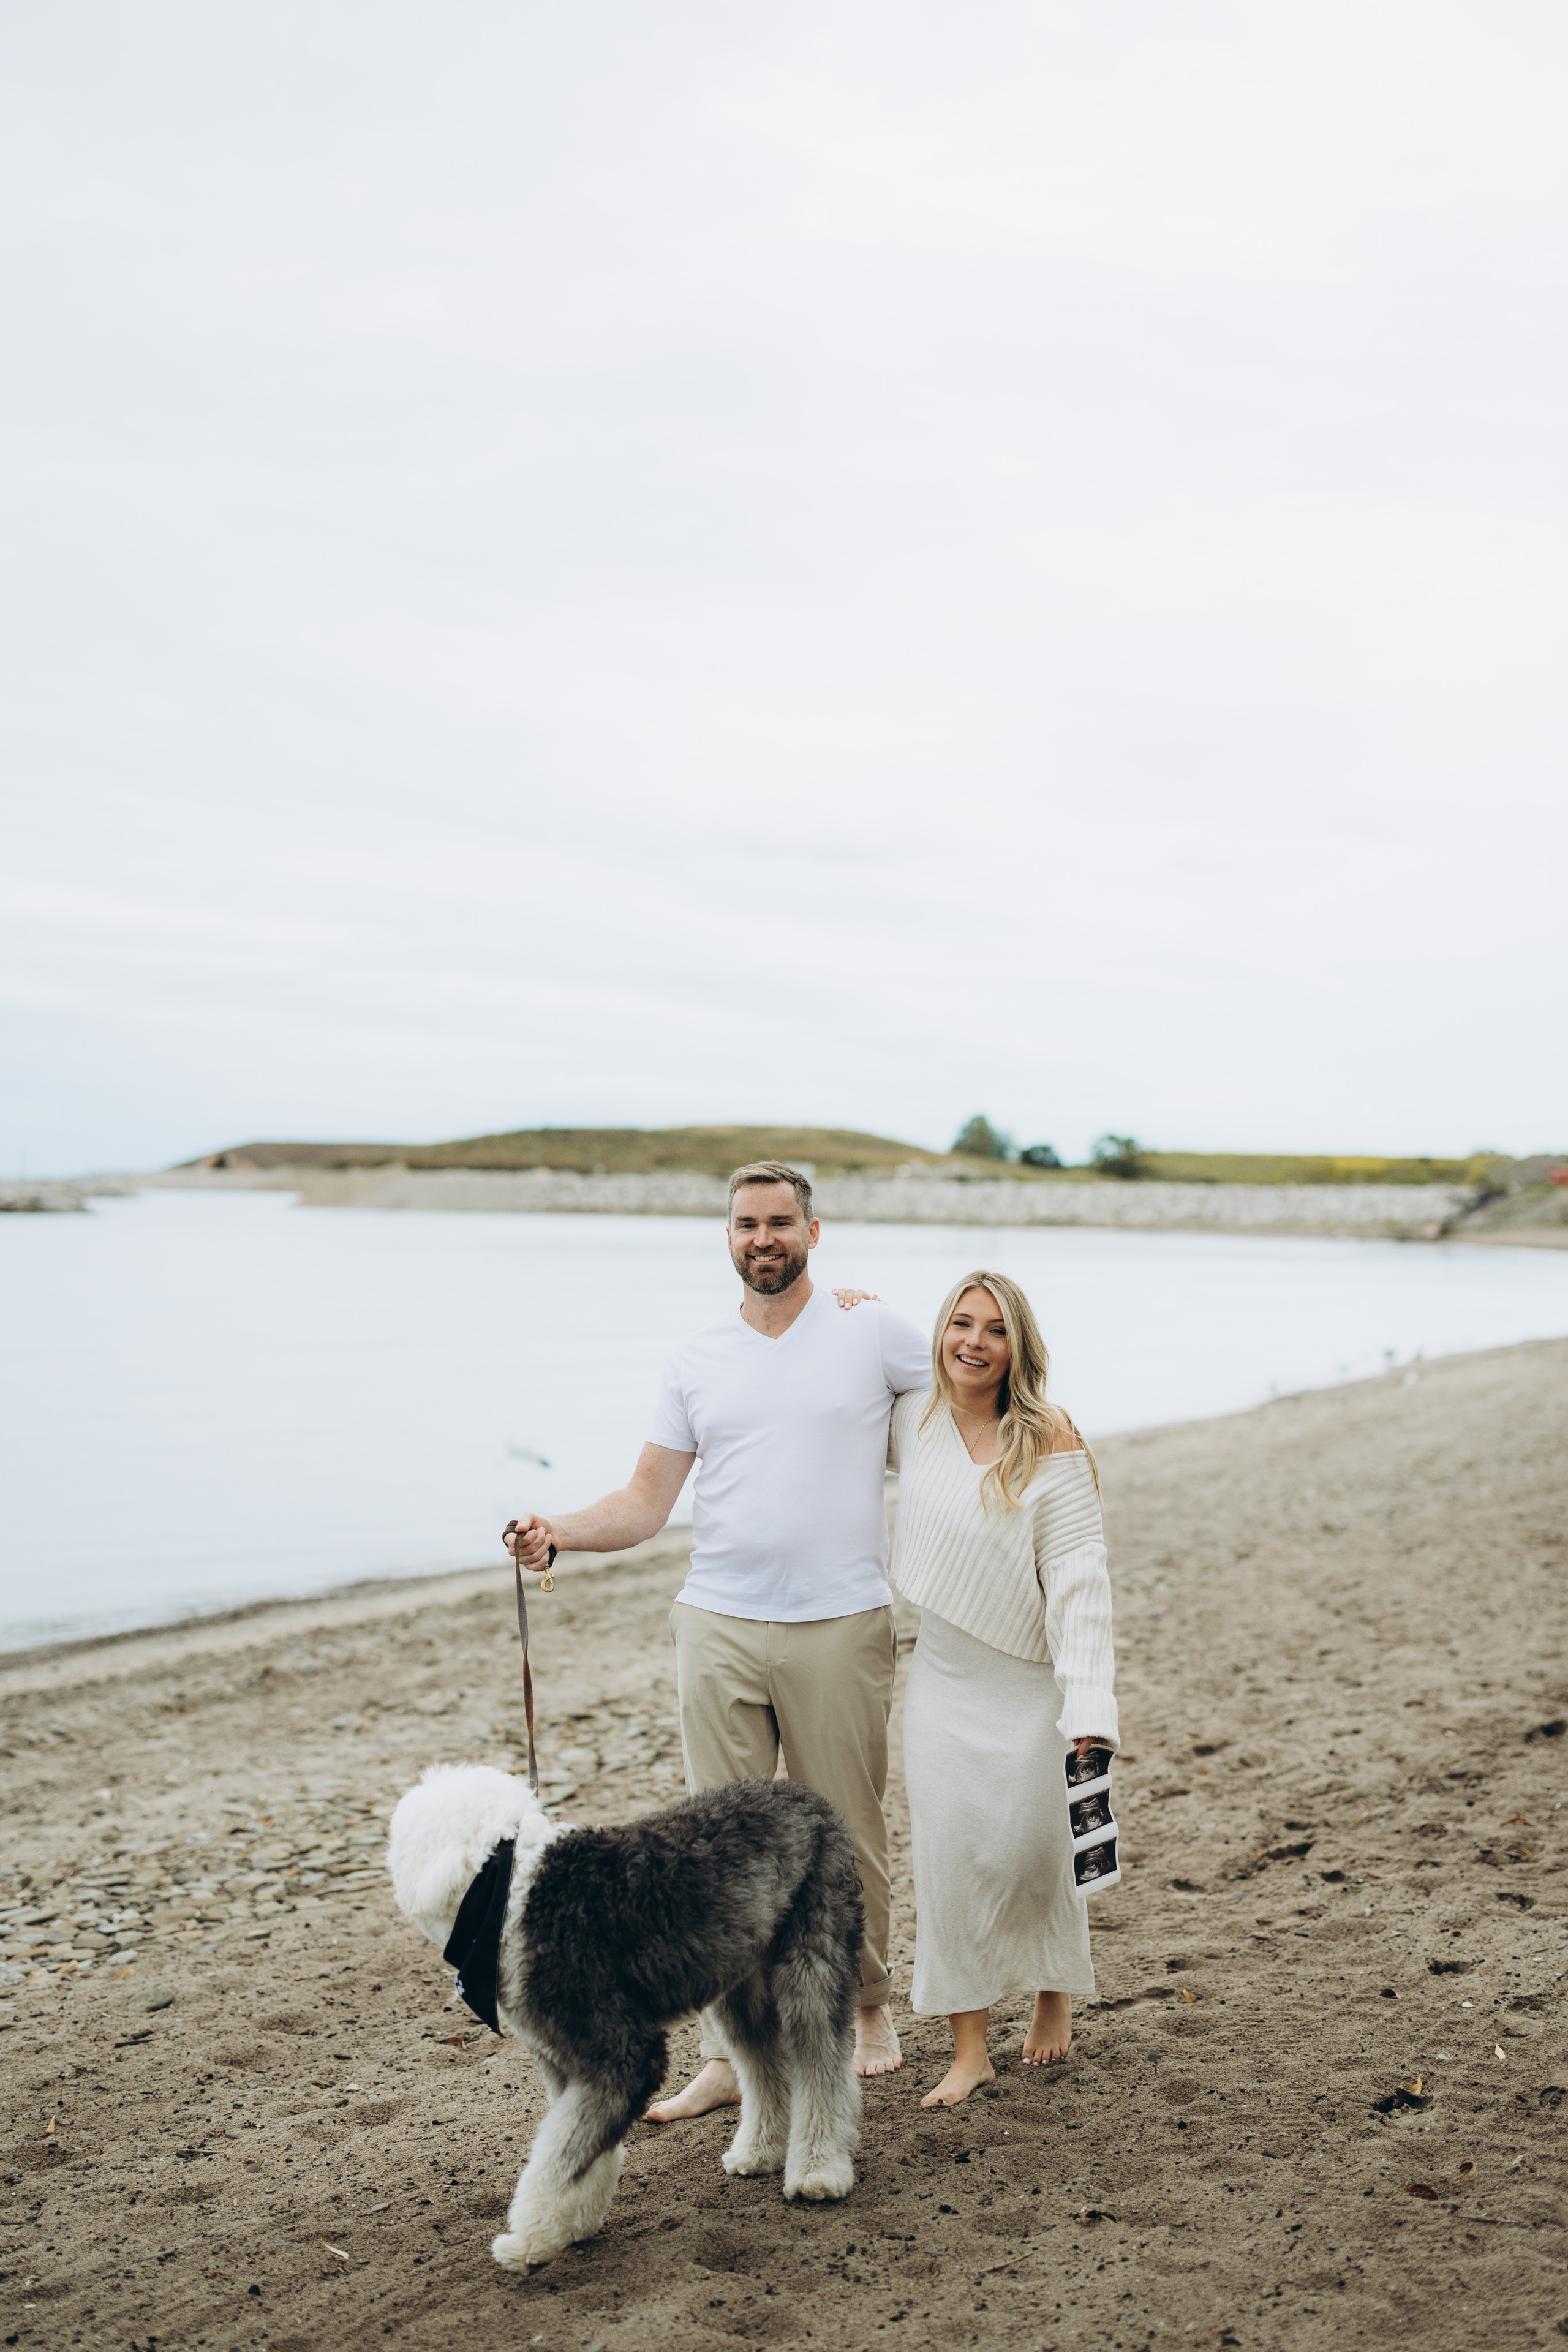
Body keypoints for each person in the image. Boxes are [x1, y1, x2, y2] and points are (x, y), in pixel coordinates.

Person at [505, 1160, 930, 2117]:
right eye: (746, 1223)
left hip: (841, 1621)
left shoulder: (873, 1331)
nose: (763, 1238)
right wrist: (558, 1531)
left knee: (848, 1827)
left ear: (814, 1233)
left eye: (781, 1221)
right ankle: (730, 2055)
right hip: (719, 1623)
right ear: (728, 1236)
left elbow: (968, 1379)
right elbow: (648, 1501)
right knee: (713, 1852)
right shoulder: (695, 1358)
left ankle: (866, 2009)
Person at [888, 1268, 1117, 2108]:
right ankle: (971, 2048)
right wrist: (846, 1305)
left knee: (1035, 1850)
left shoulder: (1049, 1436)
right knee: (950, 1861)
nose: (972, 1344)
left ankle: (1054, 1991)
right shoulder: (910, 1419)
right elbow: (830, 1387)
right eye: (960, 1324)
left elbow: (1080, 1582)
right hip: (943, 1676)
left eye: (993, 1330)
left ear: (1018, 1345)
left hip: (1031, 1680)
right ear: (940, 1332)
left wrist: (1090, 1707)